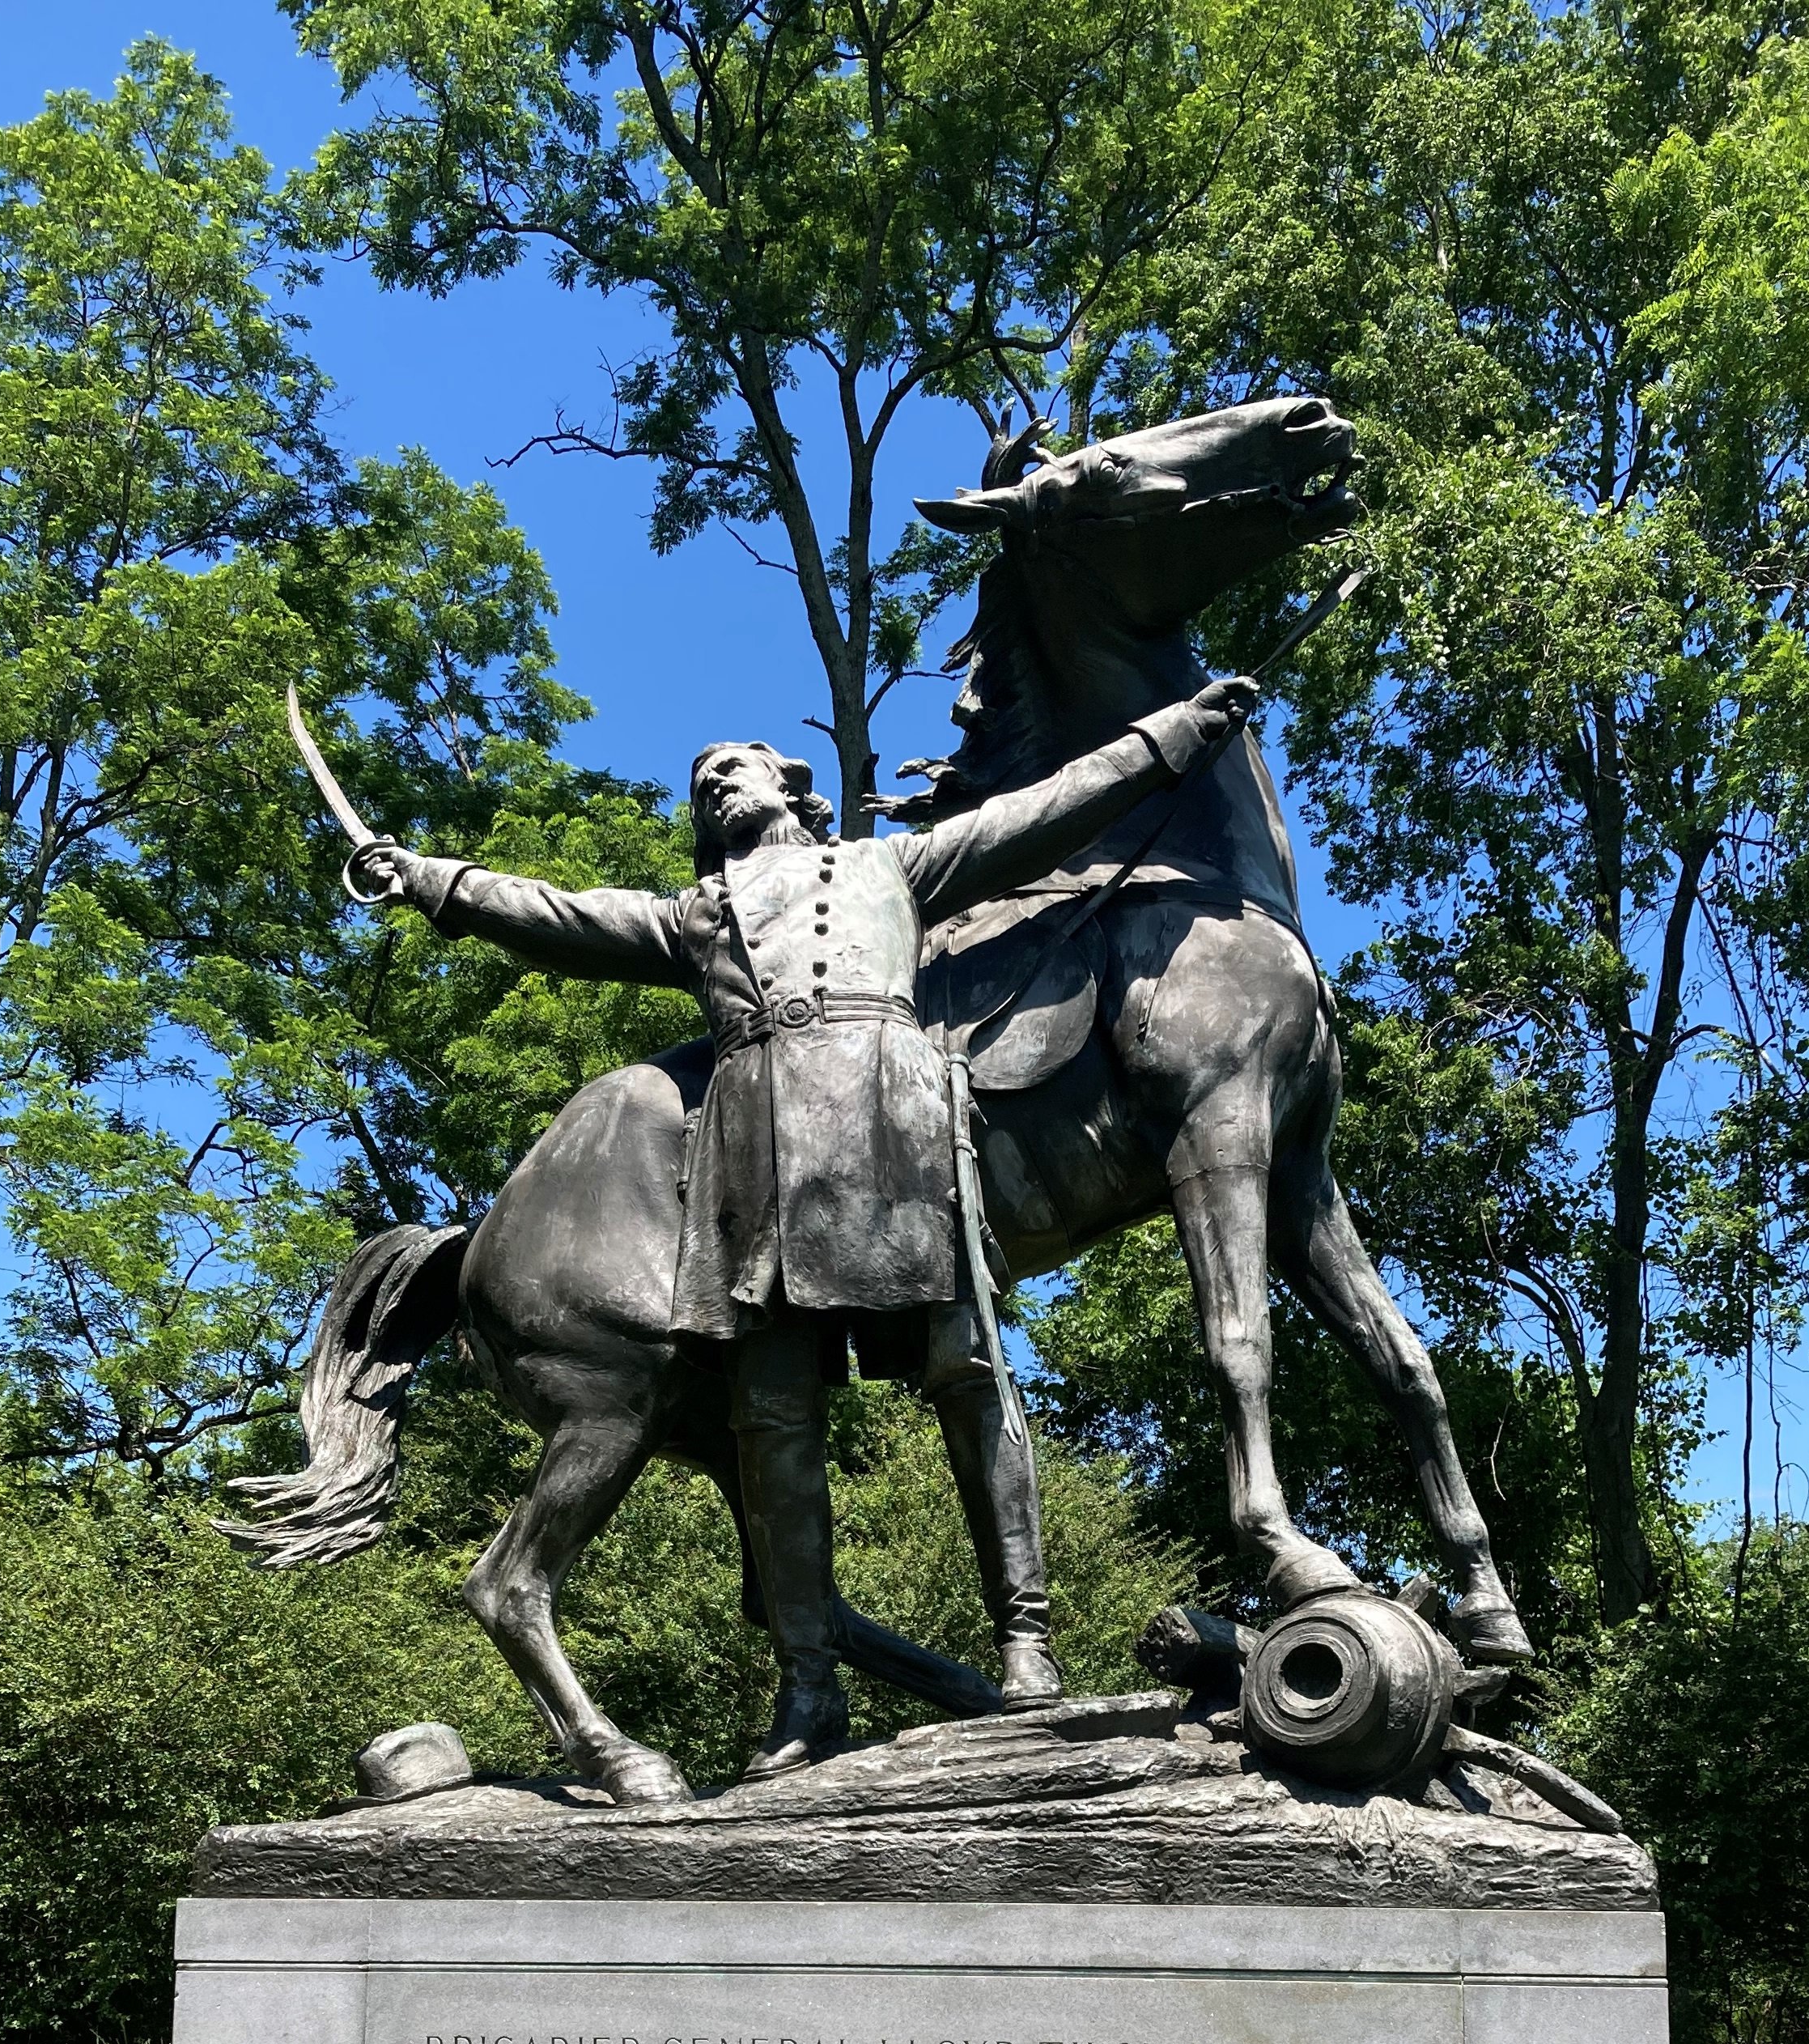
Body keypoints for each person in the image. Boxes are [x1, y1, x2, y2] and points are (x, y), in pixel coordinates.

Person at [360, 673, 1259, 1777]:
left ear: (793, 787)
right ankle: (808, 1691)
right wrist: (429, 879)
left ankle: (1027, 1649)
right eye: (699, 783)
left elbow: (1047, 810)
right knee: (773, 1419)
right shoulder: (696, 916)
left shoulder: (892, 865)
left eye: (730, 767)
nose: (712, 784)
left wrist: (1176, 731)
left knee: (970, 1373)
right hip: (758, 1151)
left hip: (898, 1123)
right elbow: (558, 917)